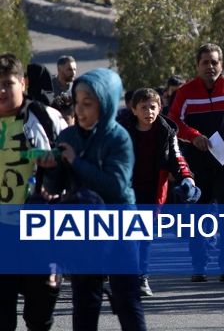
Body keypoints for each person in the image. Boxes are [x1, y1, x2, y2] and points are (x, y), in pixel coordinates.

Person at [40, 68, 147, 330]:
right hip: (83, 226)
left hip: (120, 222)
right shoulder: (68, 136)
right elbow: (57, 187)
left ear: (106, 103)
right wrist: (51, 168)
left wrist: (76, 162)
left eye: (88, 104)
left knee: (126, 298)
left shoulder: (119, 138)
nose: (80, 110)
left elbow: (116, 186)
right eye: (78, 103)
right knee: (85, 300)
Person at [168, 43, 224, 282]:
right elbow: (173, 122)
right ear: (197, 66)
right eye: (205, 62)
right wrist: (192, 135)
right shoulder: (186, 92)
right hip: (198, 163)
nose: (210, 67)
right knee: (198, 214)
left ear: (222, 65)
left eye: (214, 62)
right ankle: (199, 264)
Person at [0, 53, 67, 331]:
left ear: (23, 83)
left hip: (39, 231)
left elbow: (72, 164)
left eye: (7, 83)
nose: (1, 91)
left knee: (39, 317)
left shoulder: (44, 117)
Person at [118, 88, 197, 297]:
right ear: (133, 110)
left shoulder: (166, 130)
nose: (149, 112)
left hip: (154, 191)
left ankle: (142, 277)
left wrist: (187, 178)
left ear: (159, 108)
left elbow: (177, 157)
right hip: (126, 191)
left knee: (145, 236)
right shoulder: (122, 130)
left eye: (153, 107)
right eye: (143, 107)